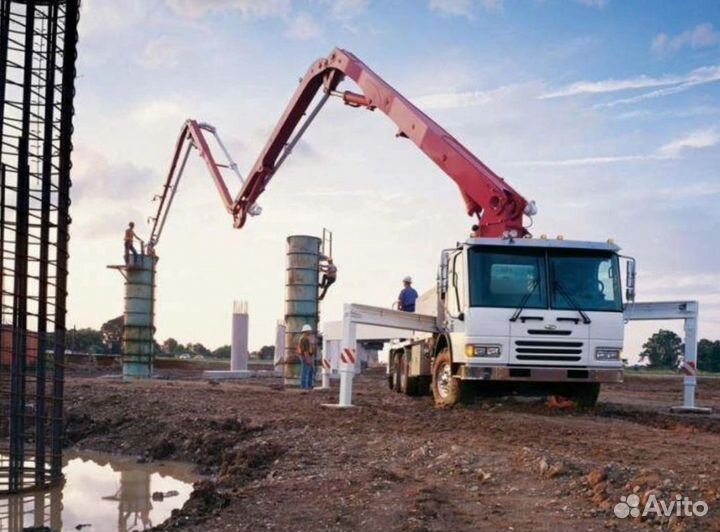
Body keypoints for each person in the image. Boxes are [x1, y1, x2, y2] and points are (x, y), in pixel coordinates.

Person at [297, 324, 316, 389]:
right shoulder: (304, 339)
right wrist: (308, 359)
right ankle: (304, 387)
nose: (310, 332)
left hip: (306, 356)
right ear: (306, 331)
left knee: (309, 371)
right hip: (305, 357)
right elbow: (305, 351)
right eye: (309, 331)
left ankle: (308, 386)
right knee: (305, 372)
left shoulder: (305, 338)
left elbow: (309, 349)